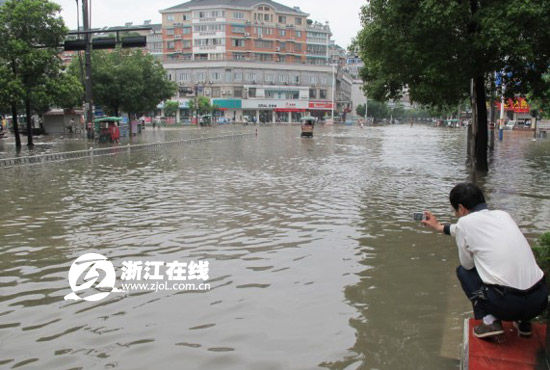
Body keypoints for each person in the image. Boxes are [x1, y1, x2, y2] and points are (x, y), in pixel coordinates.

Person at [422, 183, 548, 339]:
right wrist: (439, 226)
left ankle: (489, 321)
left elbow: (467, 264)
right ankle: (524, 323)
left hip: (508, 305)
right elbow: (461, 228)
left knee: (464, 272)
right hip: (539, 300)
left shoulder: (464, 224)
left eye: (455, 211)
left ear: (461, 208)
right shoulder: (503, 215)